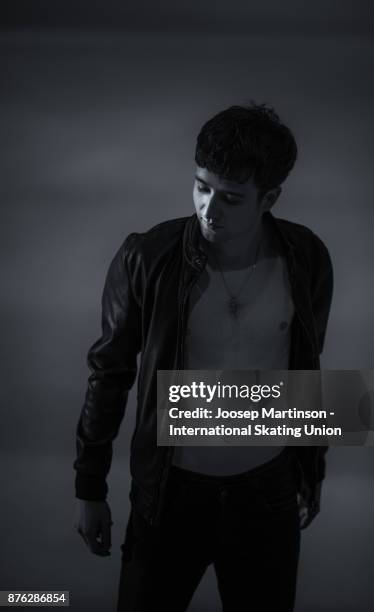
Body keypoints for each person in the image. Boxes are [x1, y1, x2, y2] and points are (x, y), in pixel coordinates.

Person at [74, 103, 333, 611]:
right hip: (170, 494)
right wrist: (89, 486)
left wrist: (309, 471)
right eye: (201, 186)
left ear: (270, 198)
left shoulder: (305, 258)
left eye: (232, 198)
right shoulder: (147, 257)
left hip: (267, 492)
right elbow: (110, 373)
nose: (209, 209)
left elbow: (304, 370)